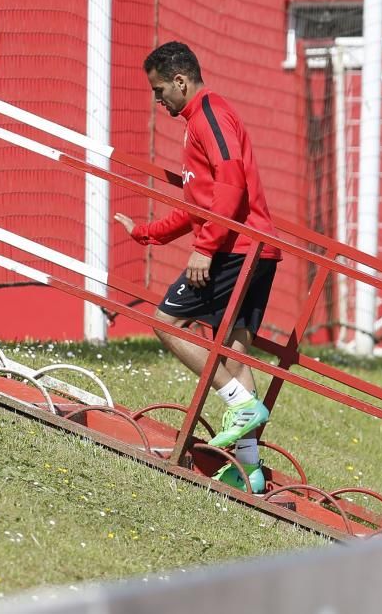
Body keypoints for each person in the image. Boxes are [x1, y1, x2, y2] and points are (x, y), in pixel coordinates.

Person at [114, 41, 283, 494]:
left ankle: (237, 404)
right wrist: (147, 233)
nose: (158, 100)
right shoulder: (198, 122)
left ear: (181, 81)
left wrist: (206, 249)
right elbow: (200, 205)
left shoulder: (209, 115)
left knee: (166, 322)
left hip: (236, 248)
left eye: (159, 90)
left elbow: (231, 183)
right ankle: (251, 473)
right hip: (253, 249)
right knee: (235, 354)